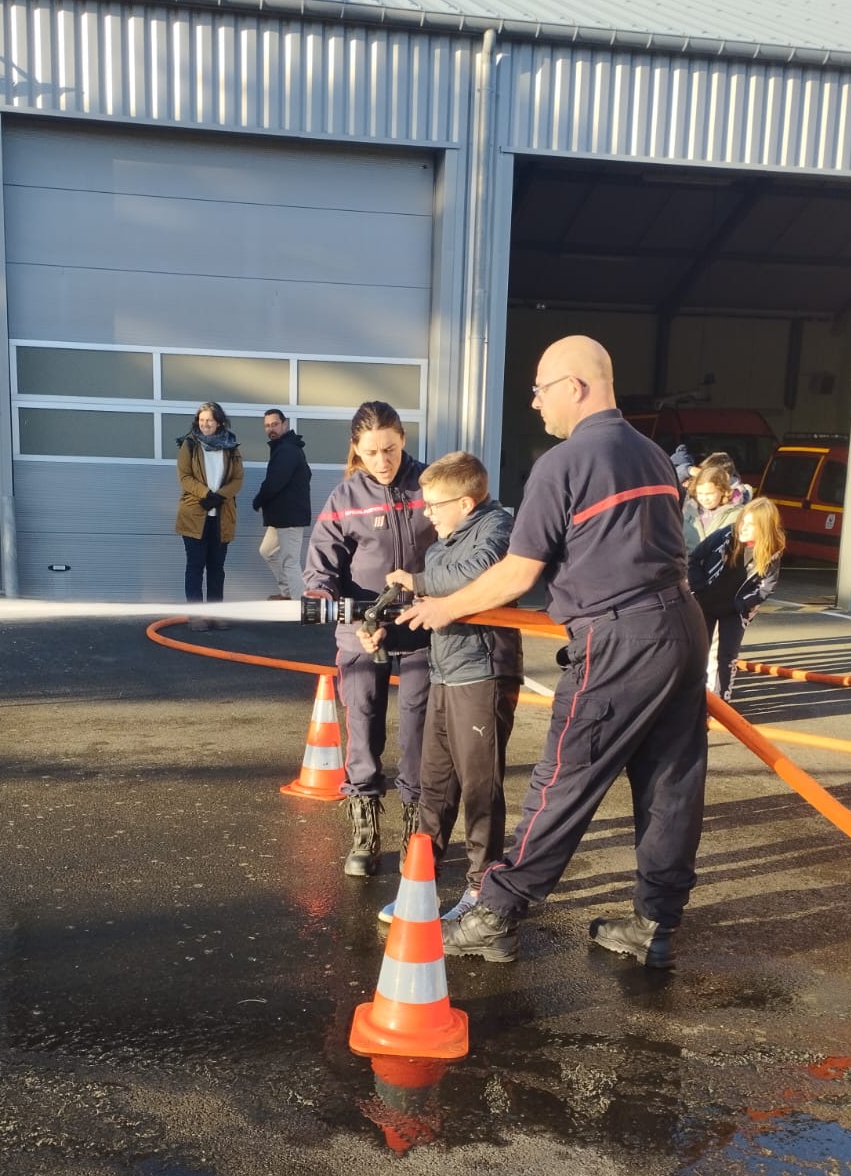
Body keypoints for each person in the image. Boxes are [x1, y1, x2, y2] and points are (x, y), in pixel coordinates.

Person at [398, 336, 709, 970]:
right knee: (671, 780)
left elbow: (519, 571)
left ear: (576, 387)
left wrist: (443, 607)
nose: (536, 403)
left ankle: (495, 914)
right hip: (681, 626)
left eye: (540, 390)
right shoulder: (652, 454)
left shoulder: (563, 464)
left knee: (564, 777)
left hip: (617, 640)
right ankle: (654, 923)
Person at [364, 452, 523, 926]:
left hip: (483, 675)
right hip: (444, 673)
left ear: (467, 503)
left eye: (434, 505)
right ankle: (420, 886)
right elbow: (431, 613)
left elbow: (476, 574)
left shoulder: (498, 531)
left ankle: (481, 892)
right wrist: (386, 632)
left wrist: (415, 579)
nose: (427, 513)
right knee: (433, 788)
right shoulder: (439, 548)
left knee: (480, 790)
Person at [302, 401, 433, 877]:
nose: (383, 461)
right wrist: (325, 597)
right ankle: (365, 833)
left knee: (419, 731)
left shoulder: (429, 485)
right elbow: (322, 564)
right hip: (362, 627)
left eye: (391, 449)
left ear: (403, 440)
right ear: (356, 449)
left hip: (421, 625)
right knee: (363, 726)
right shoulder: (345, 497)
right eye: (372, 452)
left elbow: (458, 543)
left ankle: (419, 834)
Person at [688, 496, 785, 702]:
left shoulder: (772, 549)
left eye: (751, 525)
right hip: (705, 602)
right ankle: (692, 699)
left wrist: (742, 604)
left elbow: (767, 587)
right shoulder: (726, 535)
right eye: (743, 521)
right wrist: (699, 588)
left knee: (727, 656)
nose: (743, 527)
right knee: (699, 651)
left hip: (734, 610)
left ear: (764, 528)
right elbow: (694, 558)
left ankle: (722, 701)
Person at [175, 402, 243, 626]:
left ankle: (215, 614)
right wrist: (205, 494)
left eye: (209, 420)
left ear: (219, 423)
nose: (205, 424)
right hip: (195, 516)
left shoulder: (231, 447)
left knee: (216, 568)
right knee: (195, 567)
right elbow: (184, 477)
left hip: (221, 517)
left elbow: (237, 479)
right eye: (201, 420)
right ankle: (196, 617)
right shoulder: (190, 444)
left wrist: (220, 496)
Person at [253, 409, 312, 600]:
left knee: (290, 561)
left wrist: (259, 499)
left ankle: (299, 605)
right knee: (268, 551)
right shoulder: (284, 448)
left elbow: (274, 482)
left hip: (290, 517)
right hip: (280, 517)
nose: (271, 429)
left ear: (284, 424)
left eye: (275, 424)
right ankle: (287, 593)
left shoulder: (287, 450)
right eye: (267, 426)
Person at [682, 459, 742, 553]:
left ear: (723, 491)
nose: (704, 498)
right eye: (700, 493)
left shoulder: (735, 514)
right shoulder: (688, 511)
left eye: (709, 494)